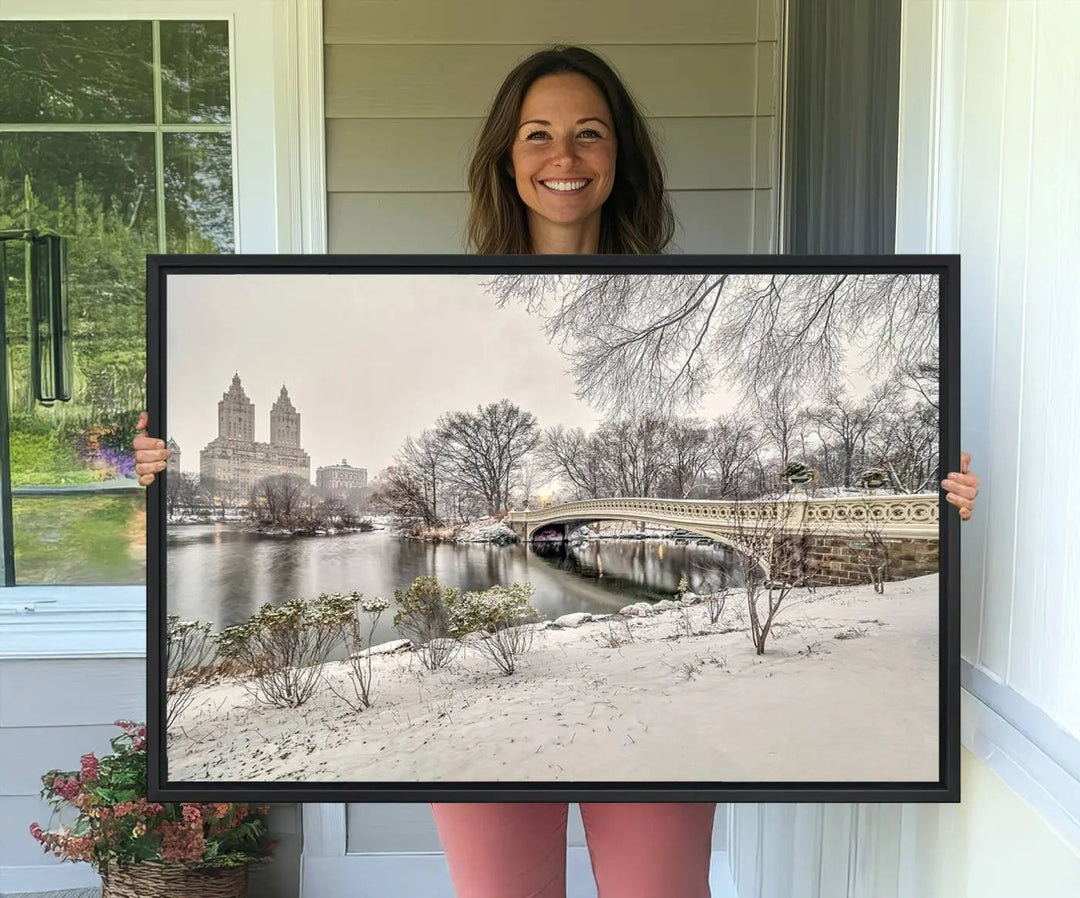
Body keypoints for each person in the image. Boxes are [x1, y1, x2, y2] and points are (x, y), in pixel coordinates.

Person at [134, 45, 980, 898]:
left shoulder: (671, 308)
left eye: (589, 134)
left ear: (620, 158)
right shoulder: (453, 294)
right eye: (537, 135)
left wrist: (944, 504)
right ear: (507, 157)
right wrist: (159, 471)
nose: (564, 157)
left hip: (653, 722)